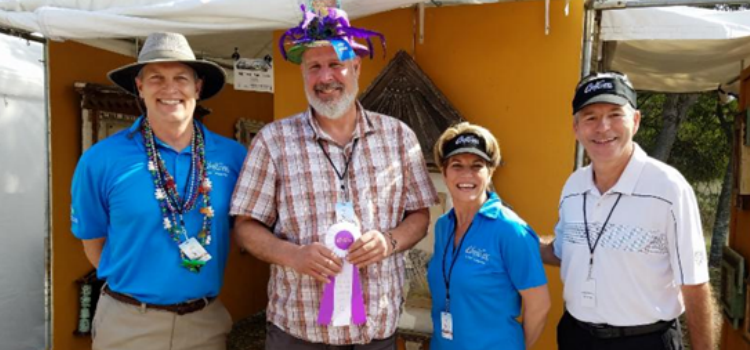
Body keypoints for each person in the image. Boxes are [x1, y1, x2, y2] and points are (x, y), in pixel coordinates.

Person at [230, 6, 439, 349]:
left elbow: (418, 216)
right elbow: (246, 225)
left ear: (356, 67)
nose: (326, 77)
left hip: (375, 332)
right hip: (298, 333)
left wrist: (390, 241)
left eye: (336, 65)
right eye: (314, 67)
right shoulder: (273, 140)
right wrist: (292, 255)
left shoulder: (399, 137)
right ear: (303, 74)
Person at [70, 32, 247, 349]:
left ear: (198, 87)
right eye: (156, 78)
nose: (170, 88)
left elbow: (242, 228)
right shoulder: (100, 159)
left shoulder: (233, 157)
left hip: (204, 324)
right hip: (126, 323)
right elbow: (93, 241)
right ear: (139, 86)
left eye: (181, 77)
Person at [540, 71, 715, 350]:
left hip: (644, 341)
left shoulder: (668, 189)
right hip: (577, 337)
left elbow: (695, 285)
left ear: (635, 121)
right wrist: (510, 234)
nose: (603, 127)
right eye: (590, 117)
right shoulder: (573, 186)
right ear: (576, 128)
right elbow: (562, 251)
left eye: (614, 114)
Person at [427, 123, 550, 350]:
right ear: (444, 172)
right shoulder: (443, 226)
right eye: (457, 165)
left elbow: (539, 305)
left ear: (490, 172)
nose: (467, 174)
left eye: (477, 166)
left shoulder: (510, 229)